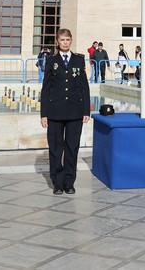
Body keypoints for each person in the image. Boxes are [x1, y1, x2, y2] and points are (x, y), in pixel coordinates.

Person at [40, 28, 91, 195]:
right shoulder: (51, 61)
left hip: (75, 112)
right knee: (56, 149)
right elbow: (46, 88)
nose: (65, 43)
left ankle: (69, 182)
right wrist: (44, 114)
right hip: (55, 111)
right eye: (62, 40)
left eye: (67, 40)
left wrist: (86, 111)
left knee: (72, 148)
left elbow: (84, 86)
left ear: (71, 41)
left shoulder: (78, 60)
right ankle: (57, 182)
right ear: (57, 42)